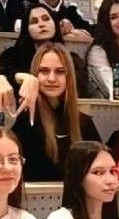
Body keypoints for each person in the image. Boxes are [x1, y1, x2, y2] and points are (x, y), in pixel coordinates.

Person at [11, 43, 102, 182]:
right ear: (35, 75)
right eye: (44, 71)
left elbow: (100, 163)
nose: (52, 78)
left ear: (68, 77)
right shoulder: (25, 119)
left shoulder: (83, 122)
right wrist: (18, 76)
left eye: (60, 72)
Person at [0, 3, 63, 82]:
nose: (41, 24)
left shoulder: (71, 58)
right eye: (34, 21)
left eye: (46, 19)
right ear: (27, 28)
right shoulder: (11, 57)